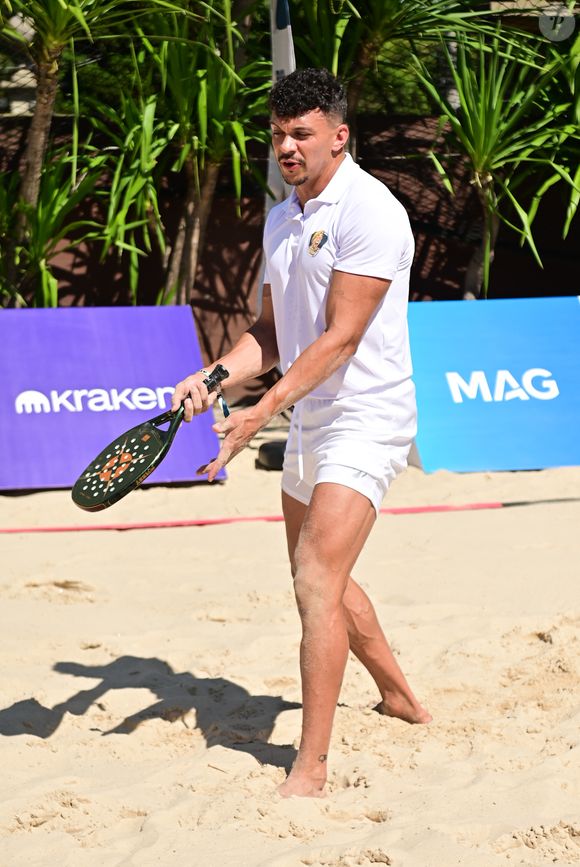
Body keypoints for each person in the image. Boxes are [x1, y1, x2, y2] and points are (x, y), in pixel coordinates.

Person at [171, 67, 431, 799]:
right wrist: (217, 380)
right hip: (311, 410)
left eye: (302, 133)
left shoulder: (371, 211)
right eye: (279, 133)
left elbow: (341, 338)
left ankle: (309, 767)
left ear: (338, 136)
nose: (287, 145)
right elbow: (270, 332)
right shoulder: (284, 213)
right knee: (319, 577)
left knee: (317, 576)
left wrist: (261, 411)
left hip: (368, 413)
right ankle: (402, 696)